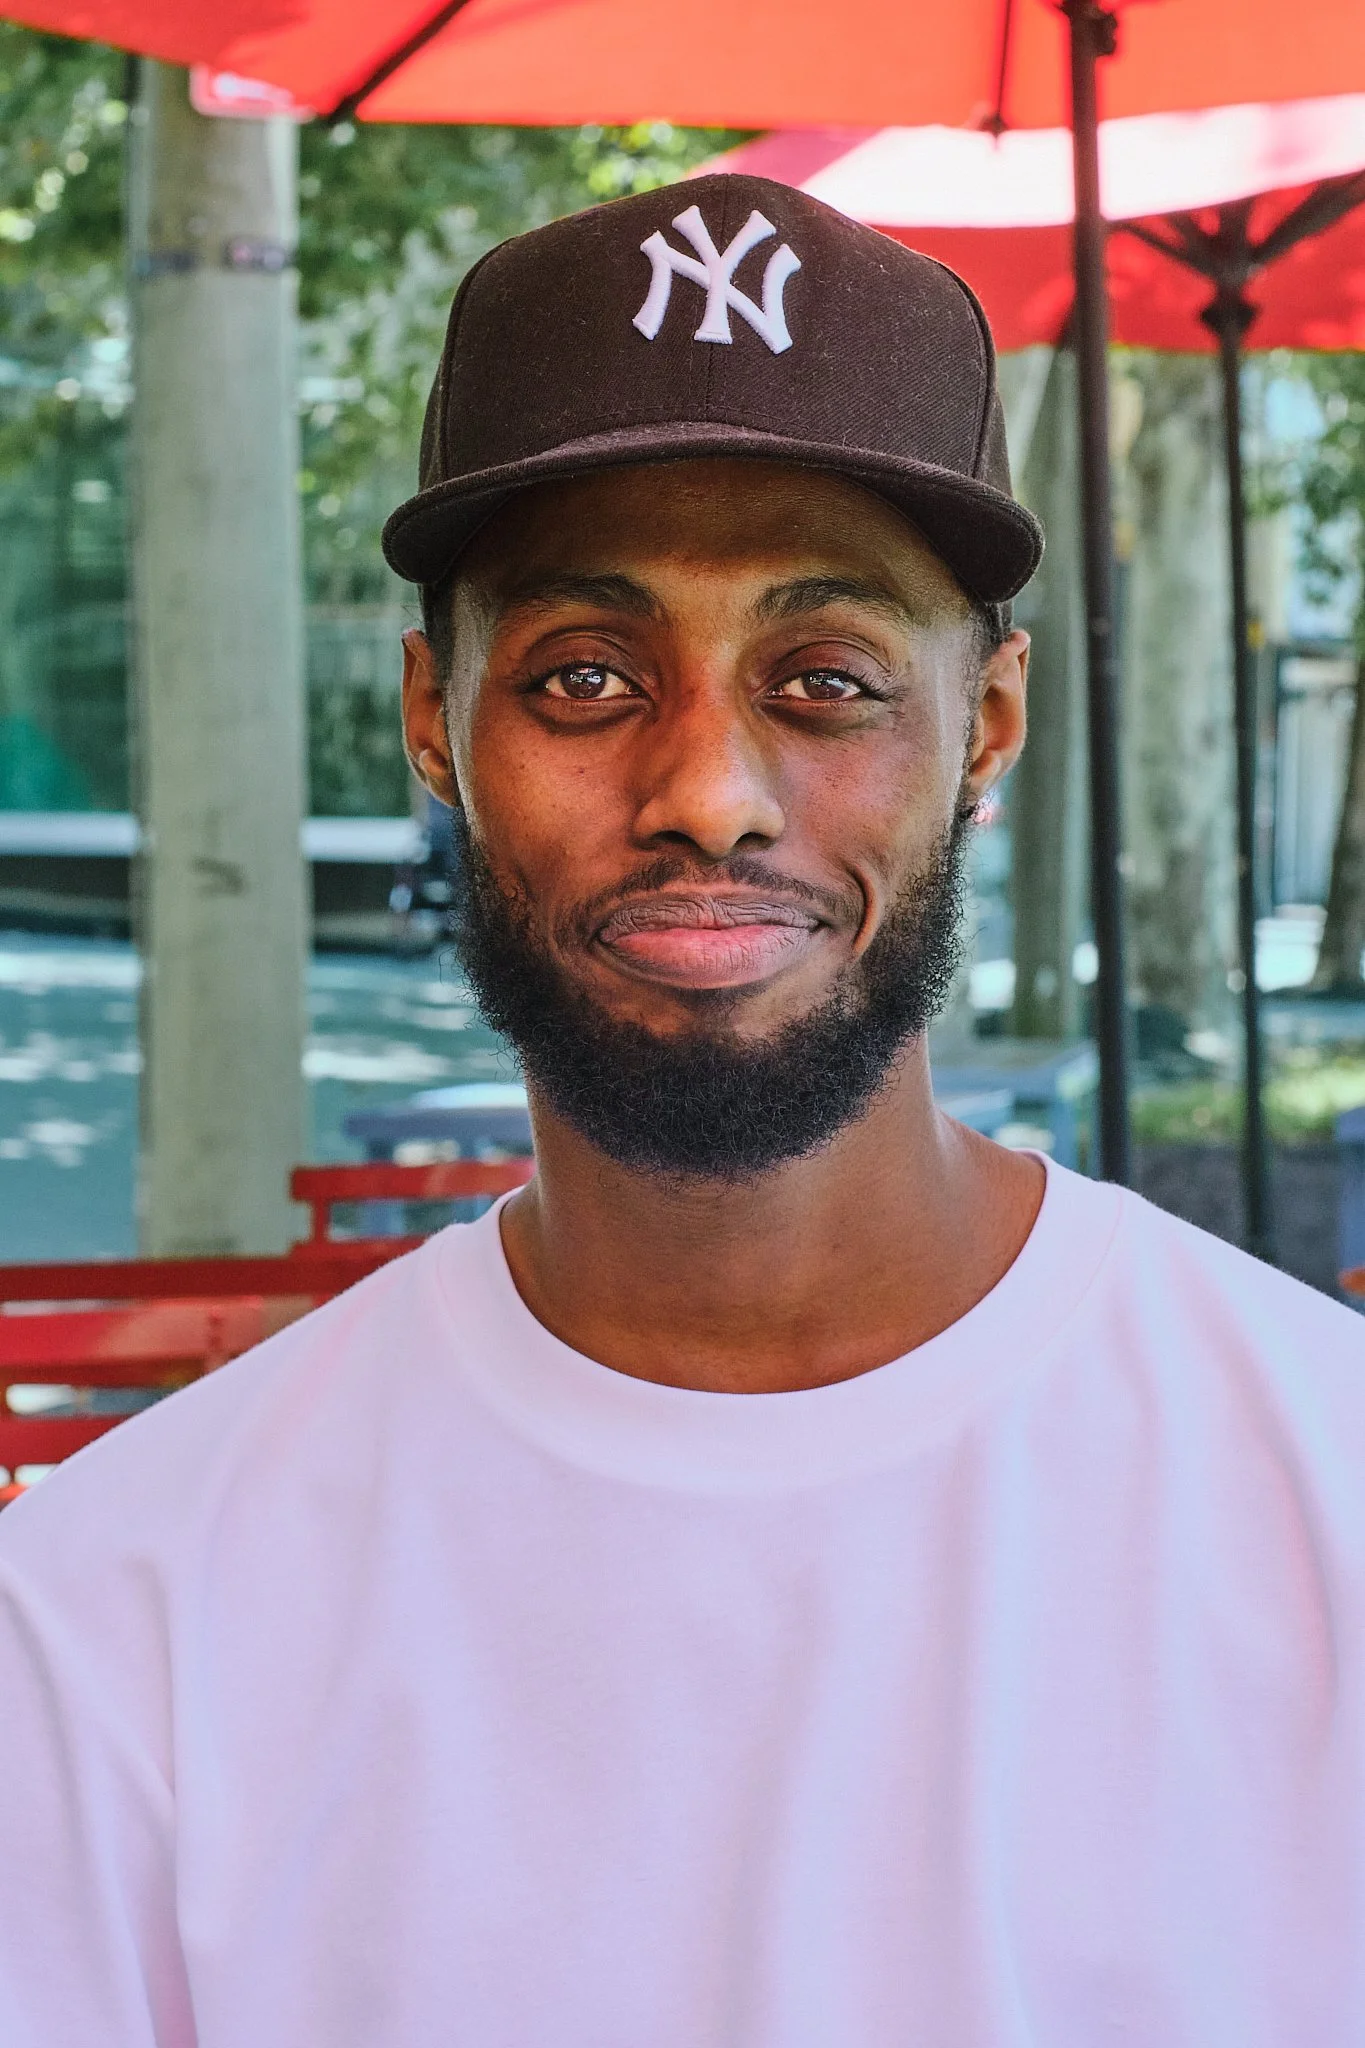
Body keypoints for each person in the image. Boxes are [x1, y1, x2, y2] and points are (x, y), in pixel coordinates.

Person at [1, 173, 1363, 2048]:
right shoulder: (113, 1618)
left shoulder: (1327, 1502)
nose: (710, 788)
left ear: (986, 725)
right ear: (434, 717)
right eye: (583, 676)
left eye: (826, 679)